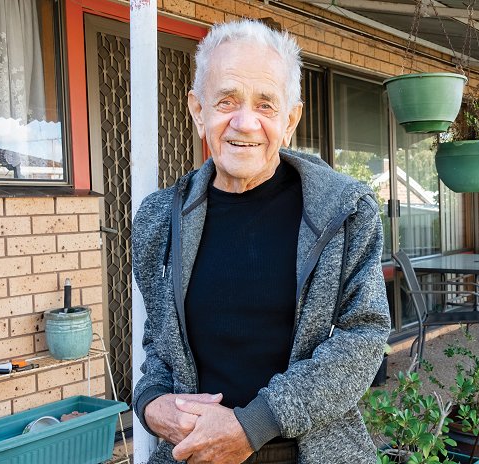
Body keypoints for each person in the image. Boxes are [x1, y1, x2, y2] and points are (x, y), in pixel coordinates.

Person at [131, 19, 391, 464]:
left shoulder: (343, 210)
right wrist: (152, 401)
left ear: (290, 119)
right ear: (198, 111)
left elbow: (363, 337)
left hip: (309, 452)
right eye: (226, 100)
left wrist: (253, 426)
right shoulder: (158, 220)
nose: (245, 122)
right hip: (193, 454)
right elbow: (159, 343)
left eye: (266, 105)